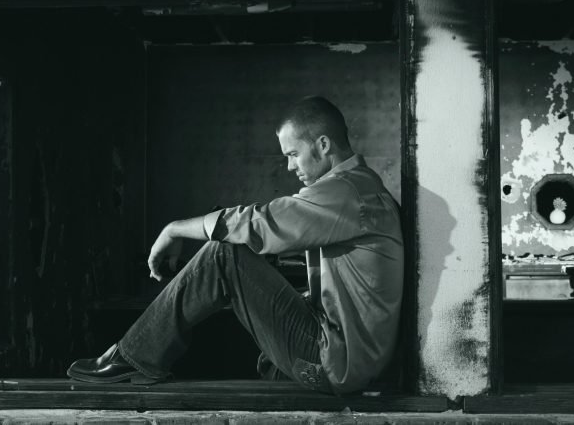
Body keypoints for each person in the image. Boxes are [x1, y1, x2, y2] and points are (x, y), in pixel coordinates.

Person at [67, 96, 404, 395]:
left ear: (324, 144)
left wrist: (174, 230)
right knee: (245, 257)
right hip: (349, 361)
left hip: (337, 367)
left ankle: (132, 357)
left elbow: (262, 223)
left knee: (225, 252)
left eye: (293, 154)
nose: (290, 166)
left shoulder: (347, 193)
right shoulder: (360, 188)